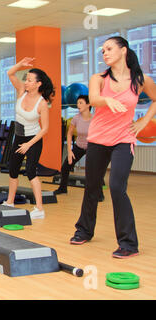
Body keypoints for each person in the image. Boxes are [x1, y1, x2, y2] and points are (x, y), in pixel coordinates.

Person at [70, 36, 156, 259]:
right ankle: (84, 230)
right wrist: (108, 101)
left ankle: (128, 243)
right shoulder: (98, 78)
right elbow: (94, 99)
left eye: (109, 49)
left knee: (118, 187)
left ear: (124, 50)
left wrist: (145, 121)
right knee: (92, 186)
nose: (105, 53)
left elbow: (155, 99)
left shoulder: (140, 79)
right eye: (102, 51)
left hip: (123, 140)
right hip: (98, 139)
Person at [1, 57, 53, 220]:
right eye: (26, 79)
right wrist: (20, 65)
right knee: (13, 169)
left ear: (38, 84)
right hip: (19, 136)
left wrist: (28, 145)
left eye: (30, 80)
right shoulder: (21, 91)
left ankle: (39, 208)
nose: (27, 82)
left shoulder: (42, 103)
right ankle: (10, 202)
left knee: (31, 171)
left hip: (34, 139)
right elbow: (10, 73)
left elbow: (45, 129)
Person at [55, 95, 103, 201]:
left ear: (88, 105)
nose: (78, 105)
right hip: (79, 146)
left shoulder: (95, 118)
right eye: (77, 103)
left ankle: (99, 193)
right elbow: (69, 133)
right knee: (65, 167)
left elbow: (100, 134)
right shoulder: (76, 118)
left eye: (80, 103)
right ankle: (63, 188)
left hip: (92, 147)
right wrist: (69, 150)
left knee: (94, 171)